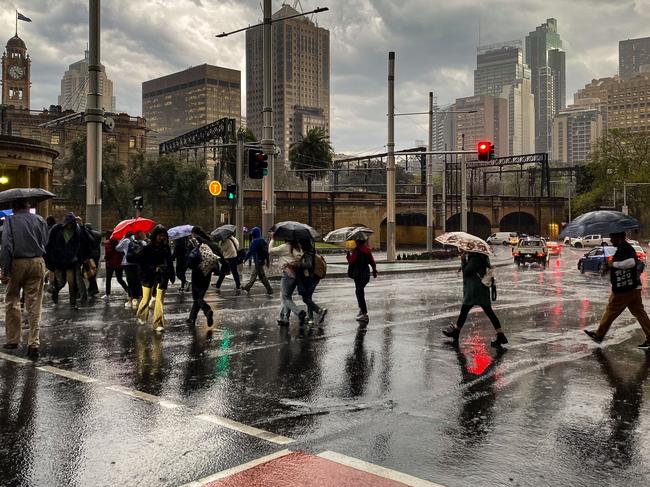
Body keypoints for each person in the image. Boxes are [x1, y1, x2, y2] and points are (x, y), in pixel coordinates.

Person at [0, 199, 48, 359]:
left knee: (12, 298)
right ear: (28, 205)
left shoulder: (10, 221)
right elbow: (45, 242)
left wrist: (5, 271)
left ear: (14, 207)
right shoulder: (40, 220)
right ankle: (34, 343)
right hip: (37, 261)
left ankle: (13, 339)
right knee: (34, 303)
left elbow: (7, 246)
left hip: (17, 262)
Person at [584, 231, 650, 349]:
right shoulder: (622, 248)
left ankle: (599, 335)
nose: (611, 240)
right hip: (632, 287)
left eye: (613, 238)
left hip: (625, 288)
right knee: (640, 313)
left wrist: (613, 264)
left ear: (619, 238)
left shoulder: (626, 248)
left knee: (611, 310)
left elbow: (630, 263)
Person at [443, 251, 508, 349]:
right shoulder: (482, 257)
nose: (466, 251)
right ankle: (500, 335)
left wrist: (463, 261)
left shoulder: (475, 259)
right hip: (481, 290)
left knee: (465, 311)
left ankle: (456, 332)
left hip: (474, 291)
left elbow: (467, 272)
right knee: (488, 312)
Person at [136, 225, 174, 332]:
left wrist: (171, 274)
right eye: (160, 235)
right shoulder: (147, 248)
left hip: (162, 276)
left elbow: (170, 262)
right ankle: (141, 316)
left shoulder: (165, 248)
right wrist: (153, 268)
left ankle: (158, 323)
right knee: (146, 298)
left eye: (163, 235)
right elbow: (141, 264)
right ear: (155, 236)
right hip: (148, 277)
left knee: (159, 300)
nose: (162, 238)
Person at [46, 212, 84, 309]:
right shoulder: (57, 229)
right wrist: (50, 258)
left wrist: (81, 225)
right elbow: (49, 244)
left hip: (71, 261)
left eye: (72, 223)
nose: (70, 226)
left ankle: (73, 303)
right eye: (68, 223)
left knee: (72, 283)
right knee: (61, 282)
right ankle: (55, 291)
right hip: (59, 261)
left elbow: (83, 242)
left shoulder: (77, 232)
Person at [186, 226, 219, 327]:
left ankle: (207, 310)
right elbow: (217, 251)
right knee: (200, 295)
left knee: (196, 296)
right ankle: (192, 318)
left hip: (197, 271)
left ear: (194, 234)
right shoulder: (209, 242)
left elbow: (190, 257)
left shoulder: (194, 242)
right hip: (207, 271)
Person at [269, 237, 305, 326]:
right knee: (287, 297)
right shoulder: (297, 247)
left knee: (285, 298)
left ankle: (299, 312)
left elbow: (270, 251)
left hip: (287, 274)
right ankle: (285, 318)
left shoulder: (285, 247)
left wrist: (273, 239)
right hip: (295, 274)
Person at [346, 238, 378, 323]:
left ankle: (364, 314)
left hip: (358, 275)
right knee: (360, 291)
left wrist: (348, 255)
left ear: (358, 242)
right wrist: (374, 271)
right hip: (366, 275)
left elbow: (351, 261)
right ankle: (361, 309)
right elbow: (372, 262)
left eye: (356, 241)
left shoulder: (357, 250)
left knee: (359, 292)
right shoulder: (367, 250)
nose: (355, 242)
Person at [296, 238, 327, 325]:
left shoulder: (308, 253)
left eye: (300, 244)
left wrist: (299, 264)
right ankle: (311, 318)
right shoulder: (312, 251)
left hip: (311, 278)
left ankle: (319, 311)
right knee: (309, 298)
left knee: (305, 298)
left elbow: (308, 265)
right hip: (314, 278)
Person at [116, 231, 145, 309]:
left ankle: (130, 299)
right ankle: (139, 298)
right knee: (138, 280)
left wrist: (123, 239)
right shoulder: (142, 242)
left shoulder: (126, 240)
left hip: (127, 263)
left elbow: (117, 248)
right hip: (138, 263)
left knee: (130, 281)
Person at [241, 227, 273, 295]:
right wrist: (267, 261)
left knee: (262, 277)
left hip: (258, 261)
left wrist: (245, 259)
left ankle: (269, 289)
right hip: (261, 261)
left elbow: (250, 251)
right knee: (254, 274)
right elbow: (266, 252)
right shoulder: (263, 240)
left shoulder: (255, 241)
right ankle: (248, 287)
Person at [103, 231, 128, 299]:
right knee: (119, 279)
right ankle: (128, 290)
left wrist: (106, 257)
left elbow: (108, 253)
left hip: (110, 264)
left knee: (108, 279)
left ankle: (107, 294)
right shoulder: (119, 242)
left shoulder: (108, 243)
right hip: (118, 264)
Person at [84, 222, 102, 298]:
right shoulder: (98, 234)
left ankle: (94, 289)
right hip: (97, 255)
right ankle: (91, 288)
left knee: (88, 272)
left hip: (89, 256)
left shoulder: (86, 234)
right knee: (93, 272)